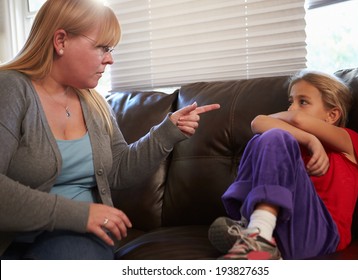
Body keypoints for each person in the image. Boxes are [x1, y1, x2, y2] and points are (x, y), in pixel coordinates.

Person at [0, 0, 220, 260]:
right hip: (21, 237)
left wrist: (168, 131)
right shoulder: (11, 89)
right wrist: (82, 215)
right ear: (60, 41)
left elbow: (117, 170)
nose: (110, 59)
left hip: (82, 239)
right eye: (102, 47)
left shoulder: (94, 102)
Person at [208, 70, 358, 260]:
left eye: (303, 102)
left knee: (275, 136)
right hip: (284, 230)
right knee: (262, 139)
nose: (292, 109)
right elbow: (258, 122)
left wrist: (307, 137)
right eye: (291, 101)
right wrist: (309, 139)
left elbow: (295, 119)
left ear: (332, 115)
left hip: (324, 236)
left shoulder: (349, 142)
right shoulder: (294, 146)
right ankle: (257, 233)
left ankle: (257, 234)